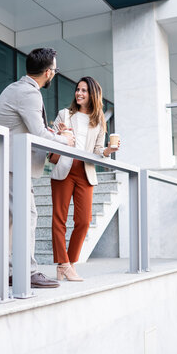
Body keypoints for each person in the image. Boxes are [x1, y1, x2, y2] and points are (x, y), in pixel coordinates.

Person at [0, 48, 75, 288]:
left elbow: (25, 127)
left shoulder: (16, 88)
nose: (54, 74)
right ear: (48, 73)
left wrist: (55, 133)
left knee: (12, 219)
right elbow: (38, 133)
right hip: (11, 166)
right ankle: (27, 272)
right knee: (27, 214)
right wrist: (66, 140)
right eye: (54, 70)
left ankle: (10, 271)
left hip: (5, 163)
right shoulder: (29, 93)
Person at [50, 76, 120, 281]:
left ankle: (69, 263)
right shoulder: (64, 114)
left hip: (85, 172)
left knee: (83, 220)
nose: (79, 93)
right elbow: (51, 138)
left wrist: (109, 149)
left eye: (84, 91)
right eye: (77, 89)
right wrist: (60, 134)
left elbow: (98, 150)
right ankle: (63, 263)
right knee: (59, 219)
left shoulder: (98, 122)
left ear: (92, 95)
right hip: (64, 168)